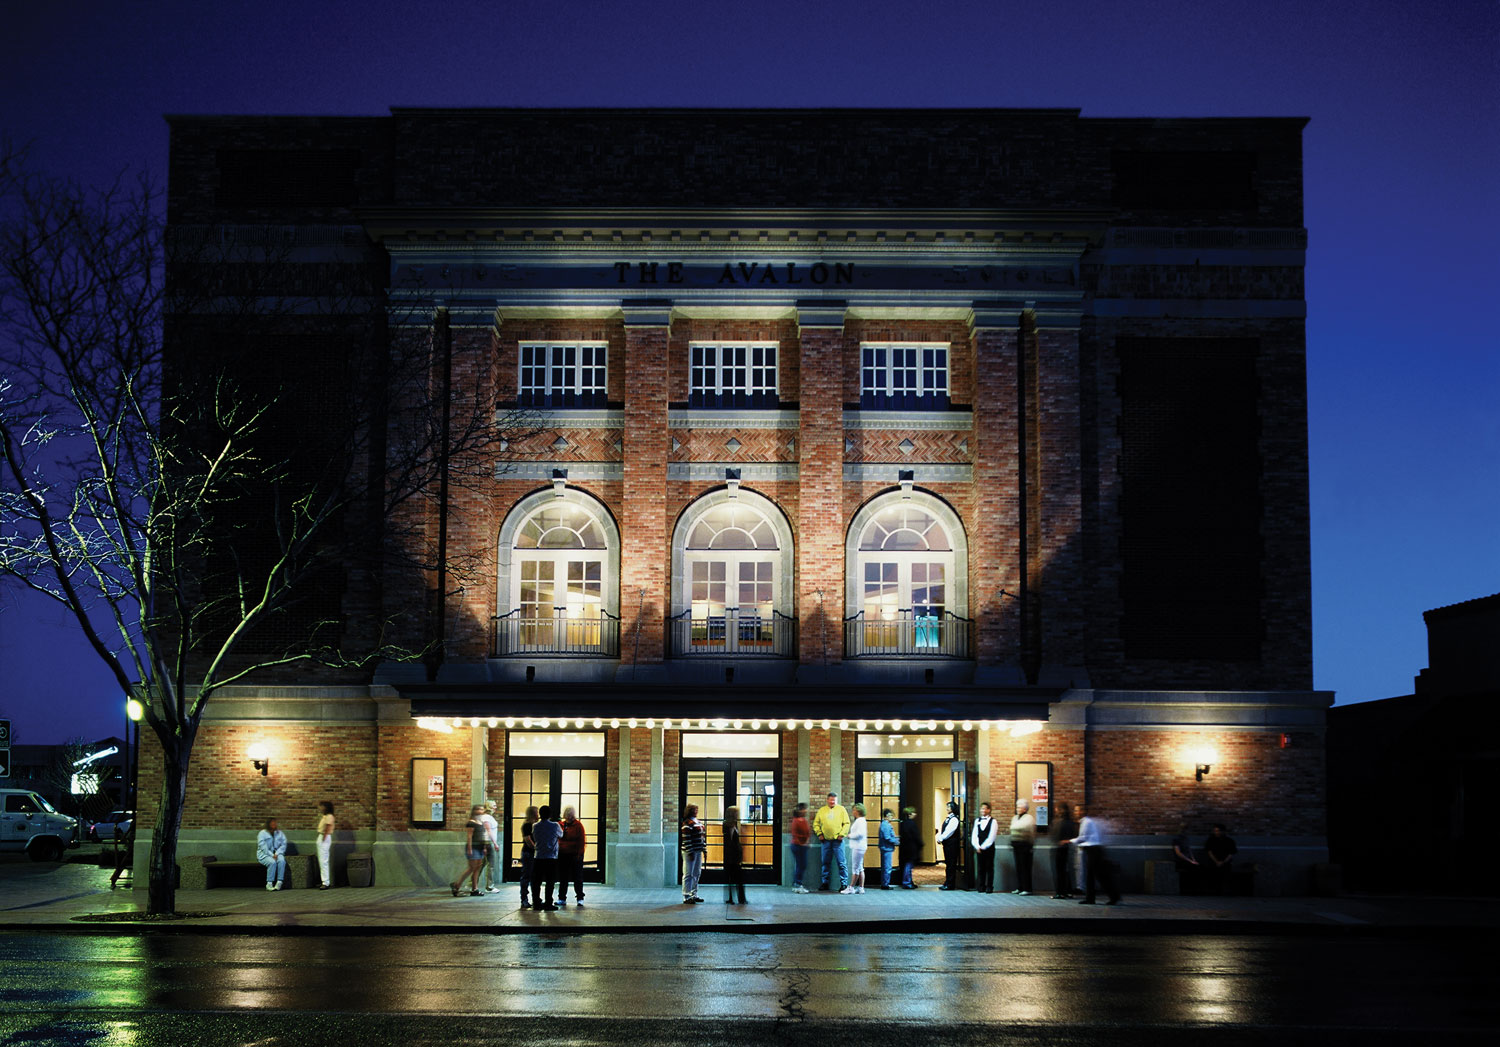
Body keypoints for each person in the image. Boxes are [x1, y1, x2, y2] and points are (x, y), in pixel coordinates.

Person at [1074, 803, 1121, 905]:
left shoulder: (1087, 822)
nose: (1075, 813)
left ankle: (1112, 896)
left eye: (1077, 810)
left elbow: (1083, 837)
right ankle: (1092, 898)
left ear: (1083, 811)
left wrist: (1070, 841)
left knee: (1099, 875)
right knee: (1093, 875)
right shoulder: (1087, 822)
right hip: (1094, 850)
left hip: (1094, 850)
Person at [812, 791, 850, 892]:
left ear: (836, 800)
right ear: (827, 800)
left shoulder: (842, 810)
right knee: (825, 863)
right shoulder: (822, 811)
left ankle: (844, 884)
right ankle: (825, 883)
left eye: (834, 800)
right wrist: (819, 833)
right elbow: (816, 824)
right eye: (831, 799)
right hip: (825, 841)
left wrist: (842, 834)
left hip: (838, 841)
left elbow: (846, 823)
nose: (832, 801)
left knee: (841, 863)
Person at [530, 805, 562, 911]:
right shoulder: (555, 825)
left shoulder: (535, 826)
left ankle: (536, 903)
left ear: (540, 814)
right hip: (551, 857)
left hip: (538, 856)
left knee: (536, 881)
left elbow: (534, 838)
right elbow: (561, 835)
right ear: (550, 814)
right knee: (550, 882)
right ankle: (548, 903)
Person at [451, 805, 488, 897]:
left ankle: (475, 889)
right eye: (480, 809)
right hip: (474, 847)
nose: (482, 811)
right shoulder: (471, 823)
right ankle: (457, 885)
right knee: (472, 868)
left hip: (480, 847)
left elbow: (482, 835)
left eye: (482, 809)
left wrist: (484, 847)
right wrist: (470, 849)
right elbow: (469, 836)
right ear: (475, 811)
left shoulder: (481, 822)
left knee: (477, 869)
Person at [558, 805, 587, 906]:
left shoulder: (578, 825)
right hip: (563, 854)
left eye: (571, 815)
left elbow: (582, 840)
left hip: (575, 854)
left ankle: (580, 897)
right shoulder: (560, 825)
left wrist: (579, 853)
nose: (569, 817)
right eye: (567, 814)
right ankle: (562, 898)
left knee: (577, 877)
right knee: (563, 877)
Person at [680, 804, 707, 903]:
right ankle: (686, 896)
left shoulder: (698, 822)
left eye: (697, 809)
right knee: (688, 873)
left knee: (696, 873)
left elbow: (702, 837)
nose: (696, 811)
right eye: (694, 810)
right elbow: (686, 839)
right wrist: (690, 851)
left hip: (698, 851)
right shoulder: (687, 823)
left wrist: (704, 849)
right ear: (689, 811)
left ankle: (694, 894)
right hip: (689, 852)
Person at [1052, 802, 1079, 899]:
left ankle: (1060, 892)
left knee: (1060, 871)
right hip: (1069, 849)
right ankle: (1068, 891)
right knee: (1067, 871)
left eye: (1056, 808)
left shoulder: (1058, 822)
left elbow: (1054, 836)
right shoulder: (1070, 822)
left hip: (1060, 849)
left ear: (1059, 810)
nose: (1055, 810)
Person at [1009, 799, 1036, 895]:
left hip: (1025, 846)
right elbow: (1013, 828)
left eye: (1020, 807)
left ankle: (1027, 889)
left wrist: (1014, 827)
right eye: (1017, 807)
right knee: (1019, 867)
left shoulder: (1029, 818)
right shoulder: (1015, 818)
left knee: (1025, 868)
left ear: (1025, 809)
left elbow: (1018, 827)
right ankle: (1020, 887)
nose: (1018, 809)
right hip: (1016, 845)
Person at [971, 802, 998, 893]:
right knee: (980, 867)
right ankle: (981, 886)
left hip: (989, 848)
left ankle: (989, 886)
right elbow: (974, 834)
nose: (983, 810)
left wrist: (984, 846)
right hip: (979, 848)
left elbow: (992, 836)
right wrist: (977, 846)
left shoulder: (993, 821)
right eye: (981, 808)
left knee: (989, 867)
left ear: (989, 810)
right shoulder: (977, 820)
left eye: (985, 808)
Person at [722, 805, 747, 904]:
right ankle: (737, 898)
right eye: (736, 813)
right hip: (731, 856)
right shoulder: (727, 825)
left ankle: (738, 898)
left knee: (736, 878)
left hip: (735, 855)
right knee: (735, 878)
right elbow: (730, 843)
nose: (738, 814)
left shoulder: (735, 824)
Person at [1204, 823, 1238, 895]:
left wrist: (1223, 862)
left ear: (1223, 831)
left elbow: (1231, 853)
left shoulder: (1229, 841)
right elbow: (1209, 852)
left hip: (1226, 863)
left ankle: (1225, 891)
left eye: (1218, 831)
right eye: (1215, 831)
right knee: (1213, 875)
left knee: (1226, 876)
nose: (1217, 832)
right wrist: (1217, 861)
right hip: (1213, 862)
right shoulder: (1211, 840)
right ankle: (1214, 891)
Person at [843, 803, 868, 894]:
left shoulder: (859, 821)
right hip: (860, 846)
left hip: (858, 847)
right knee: (860, 867)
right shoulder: (861, 820)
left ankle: (851, 887)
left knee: (855, 868)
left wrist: (850, 836)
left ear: (858, 811)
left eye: (854, 810)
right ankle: (861, 887)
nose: (853, 812)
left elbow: (859, 834)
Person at [256, 817, 287, 891]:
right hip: (265, 854)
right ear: (268, 824)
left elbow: (283, 844)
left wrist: (277, 853)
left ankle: (279, 882)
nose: (274, 824)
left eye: (275, 823)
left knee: (282, 861)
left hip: (277, 853)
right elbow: (263, 847)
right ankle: (269, 883)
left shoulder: (279, 833)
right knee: (272, 862)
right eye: (272, 823)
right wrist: (272, 855)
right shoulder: (262, 833)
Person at [936, 801, 961, 890]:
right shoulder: (949, 818)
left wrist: (941, 838)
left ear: (953, 808)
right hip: (948, 845)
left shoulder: (954, 819)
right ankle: (947, 882)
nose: (947, 808)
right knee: (949, 864)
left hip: (952, 845)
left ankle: (950, 884)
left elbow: (949, 831)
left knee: (951, 865)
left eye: (949, 807)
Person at [518, 805, 539, 910]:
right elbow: (528, 840)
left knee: (531, 876)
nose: (538, 814)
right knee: (526, 876)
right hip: (528, 853)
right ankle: (524, 899)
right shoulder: (527, 825)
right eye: (536, 812)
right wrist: (537, 848)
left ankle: (531, 899)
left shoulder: (534, 824)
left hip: (531, 853)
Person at [1172, 822, 1200, 895]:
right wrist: (1190, 860)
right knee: (1189, 870)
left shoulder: (1186, 838)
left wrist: (1193, 860)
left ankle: (1192, 889)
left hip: (1187, 860)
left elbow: (1189, 850)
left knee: (1197, 868)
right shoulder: (1177, 839)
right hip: (1181, 861)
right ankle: (1187, 890)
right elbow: (1178, 853)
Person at [478, 801, 500, 894]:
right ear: (490, 807)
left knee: (481, 865)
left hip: (487, 842)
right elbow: (488, 831)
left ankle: (471, 883)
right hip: (488, 842)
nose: (496, 807)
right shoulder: (486, 817)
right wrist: (495, 843)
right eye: (494, 805)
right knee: (490, 865)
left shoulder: (488, 817)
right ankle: (490, 887)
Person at [790, 802, 811, 894]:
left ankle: (797, 883)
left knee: (801, 865)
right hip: (798, 846)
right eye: (804, 809)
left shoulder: (803, 820)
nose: (806, 810)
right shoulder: (796, 821)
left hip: (802, 846)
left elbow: (807, 833)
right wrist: (802, 843)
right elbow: (795, 835)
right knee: (801, 865)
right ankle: (797, 884)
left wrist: (807, 841)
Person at [898, 806, 921, 888]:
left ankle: (909, 881)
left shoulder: (903, 823)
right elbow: (915, 836)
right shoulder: (911, 824)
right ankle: (907, 882)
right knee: (908, 865)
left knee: (907, 865)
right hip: (911, 848)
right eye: (914, 813)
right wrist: (920, 844)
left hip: (905, 847)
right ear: (910, 814)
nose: (915, 814)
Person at [315, 801, 335, 890]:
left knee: (323, 860)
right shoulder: (325, 816)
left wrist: (324, 837)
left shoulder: (329, 816)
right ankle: (324, 880)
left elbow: (327, 827)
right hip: (322, 837)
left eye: (322, 806)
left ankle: (325, 882)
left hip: (324, 837)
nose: (320, 808)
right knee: (322, 860)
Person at [877, 809, 898, 889]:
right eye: (891, 816)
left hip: (885, 848)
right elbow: (887, 837)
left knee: (885, 866)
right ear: (887, 816)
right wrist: (895, 841)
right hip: (887, 848)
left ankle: (885, 883)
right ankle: (885, 884)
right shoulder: (886, 825)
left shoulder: (884, 824)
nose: (892, 817)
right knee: (887, 867)